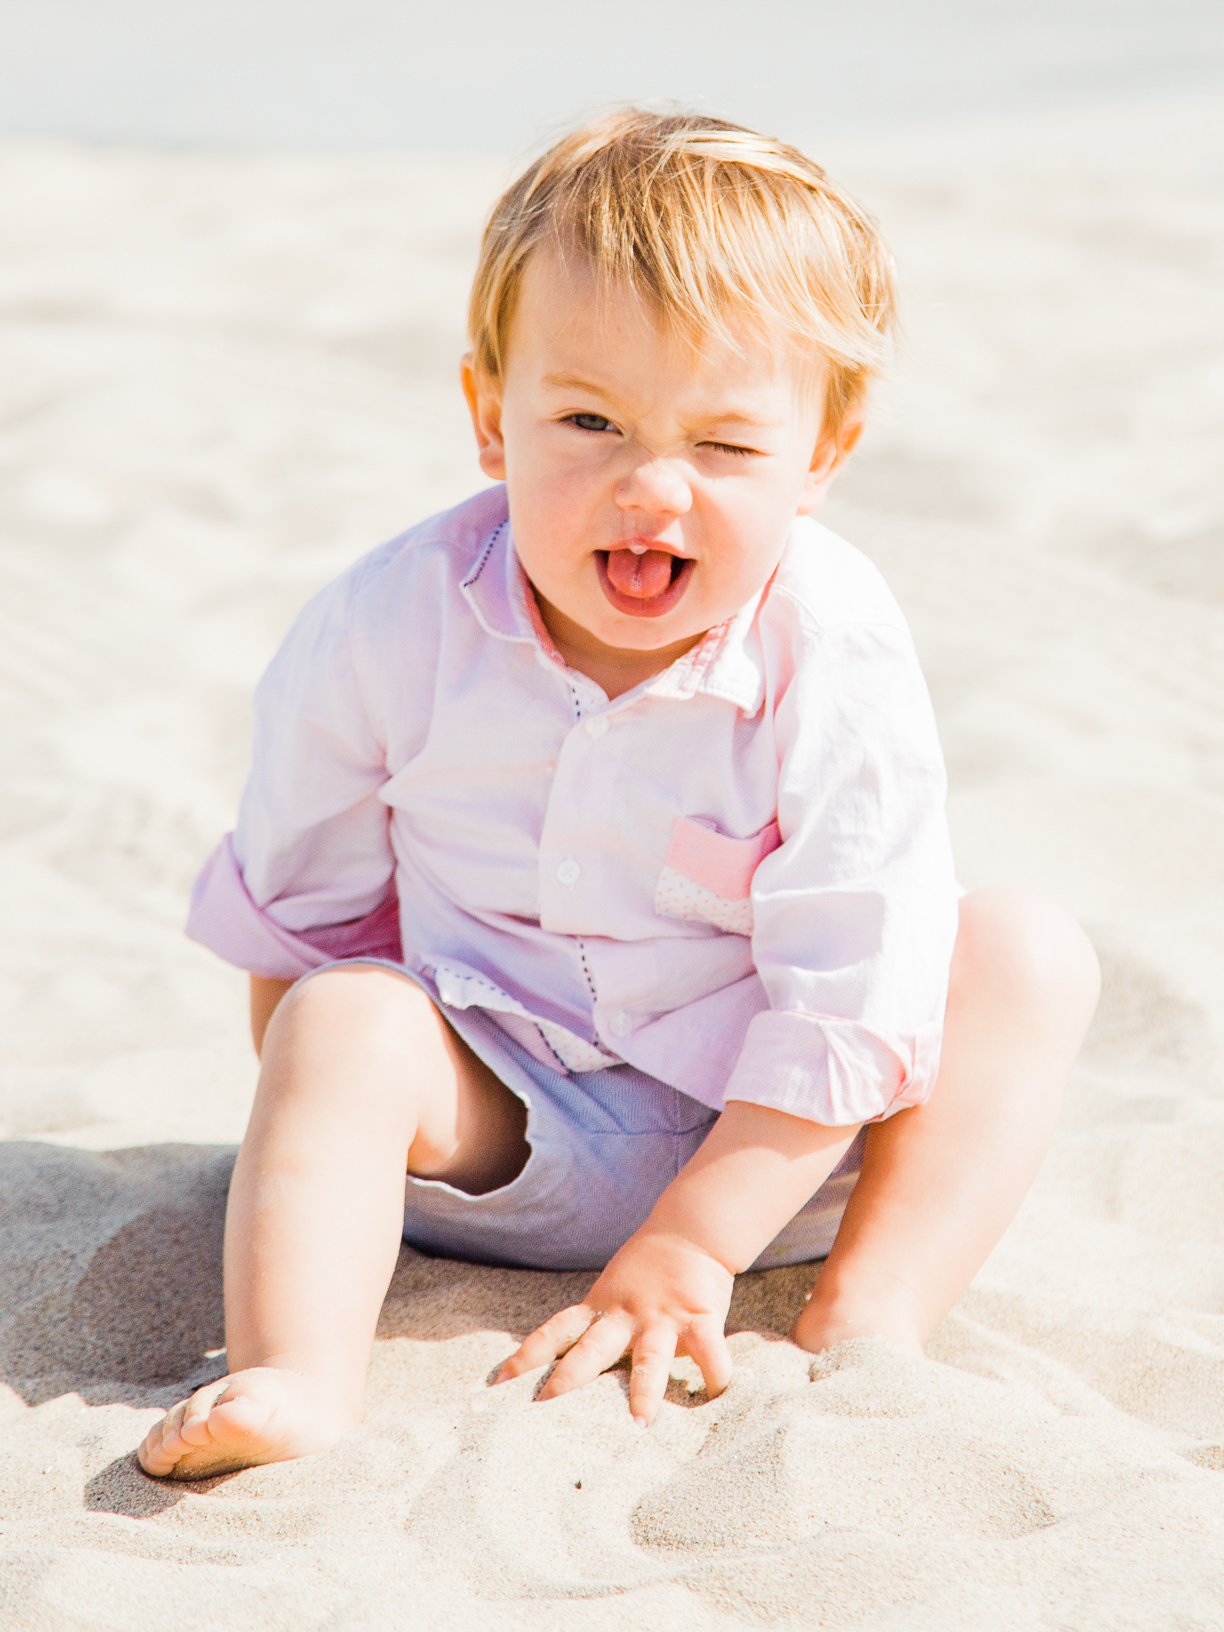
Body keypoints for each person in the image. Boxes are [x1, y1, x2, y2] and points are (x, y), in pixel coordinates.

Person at [137, 109, 1100, 1480]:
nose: (650, 487)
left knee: (1024, 949)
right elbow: (305, 919)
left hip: (786, 1157)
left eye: (724, 444)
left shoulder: (832, 645)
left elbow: (855, 989)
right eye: (587, 419)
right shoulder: (384, 624)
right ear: (489, 417)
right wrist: (346, 1154)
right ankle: (298, 1373)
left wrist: (699, 1242)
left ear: (825, 453)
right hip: (511, 1132)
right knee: (342, 1013)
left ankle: (870, 1315)